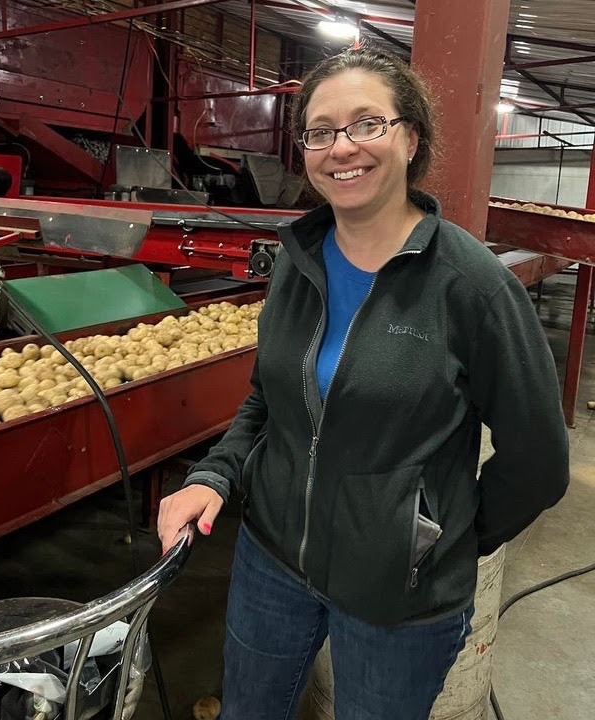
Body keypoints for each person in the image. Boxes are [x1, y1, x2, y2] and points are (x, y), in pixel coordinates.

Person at [158, 45, 569, 720]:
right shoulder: (296, 262)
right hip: (271, 560)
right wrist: (215, 474)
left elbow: (540, 464)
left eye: (367, 124)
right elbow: (267, 398)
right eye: (321, 131)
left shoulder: (471, 288)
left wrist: (435, 542)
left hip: (398, 601)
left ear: (410, 137)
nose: (341, 147)